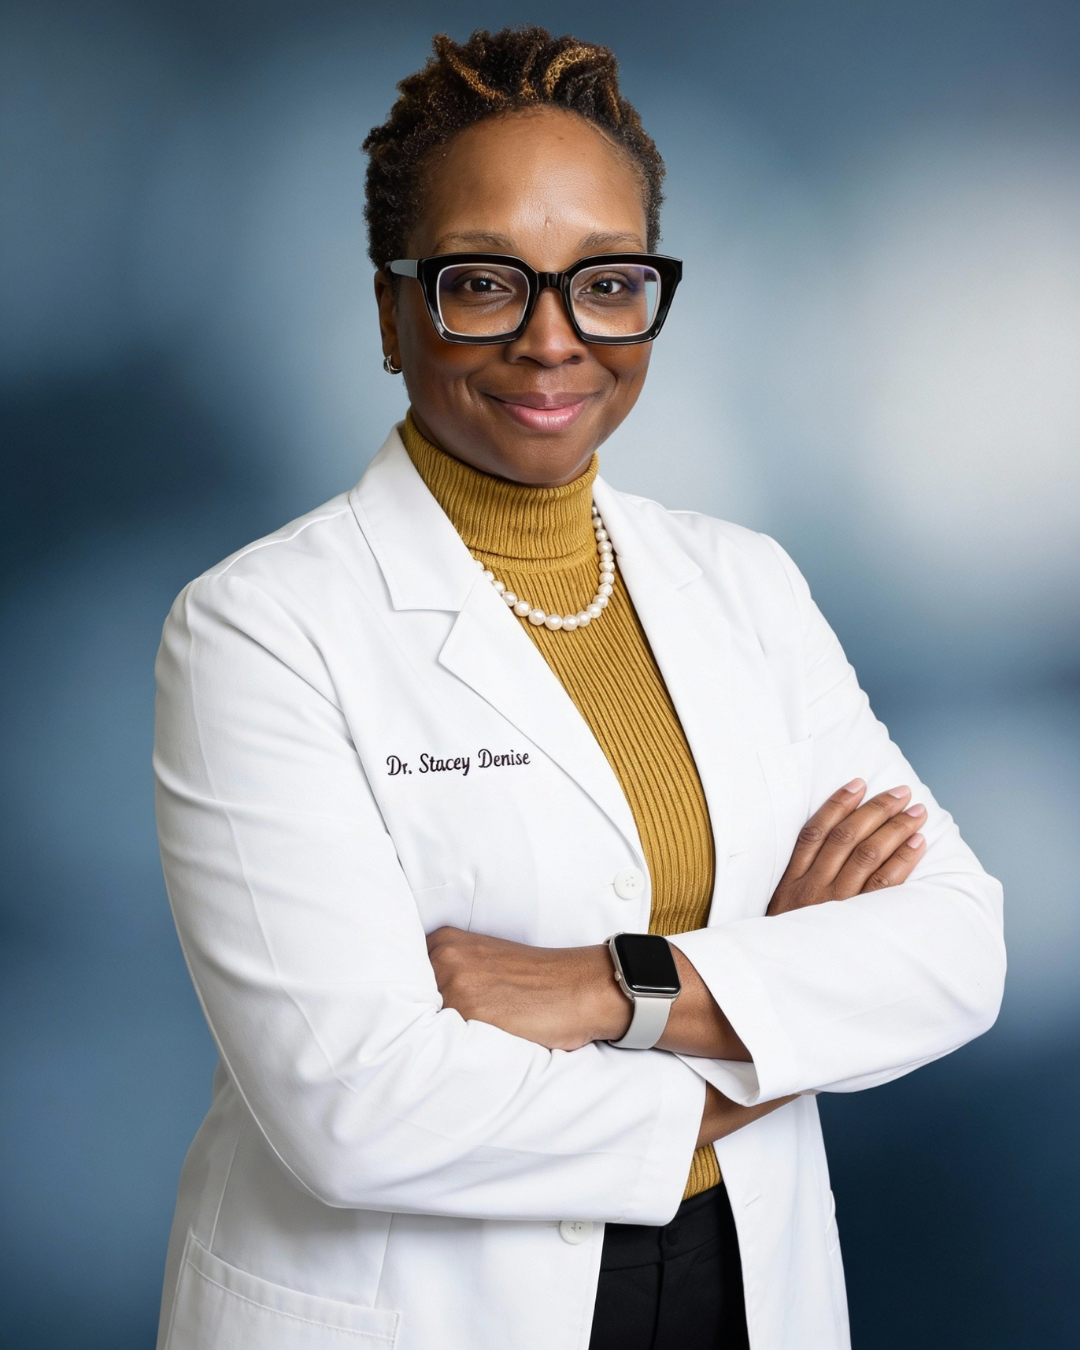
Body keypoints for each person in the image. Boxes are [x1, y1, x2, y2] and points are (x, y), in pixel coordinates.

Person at [152, 26, 1005, 1350]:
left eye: (607, 283)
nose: (556, 342)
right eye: (487, 283)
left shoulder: (745, 582)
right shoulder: (258, 631)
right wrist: (776, 1023)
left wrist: (613, 987)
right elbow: (359, 1112)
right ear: (393, 311)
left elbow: (954, 946)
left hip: (742, 1286)